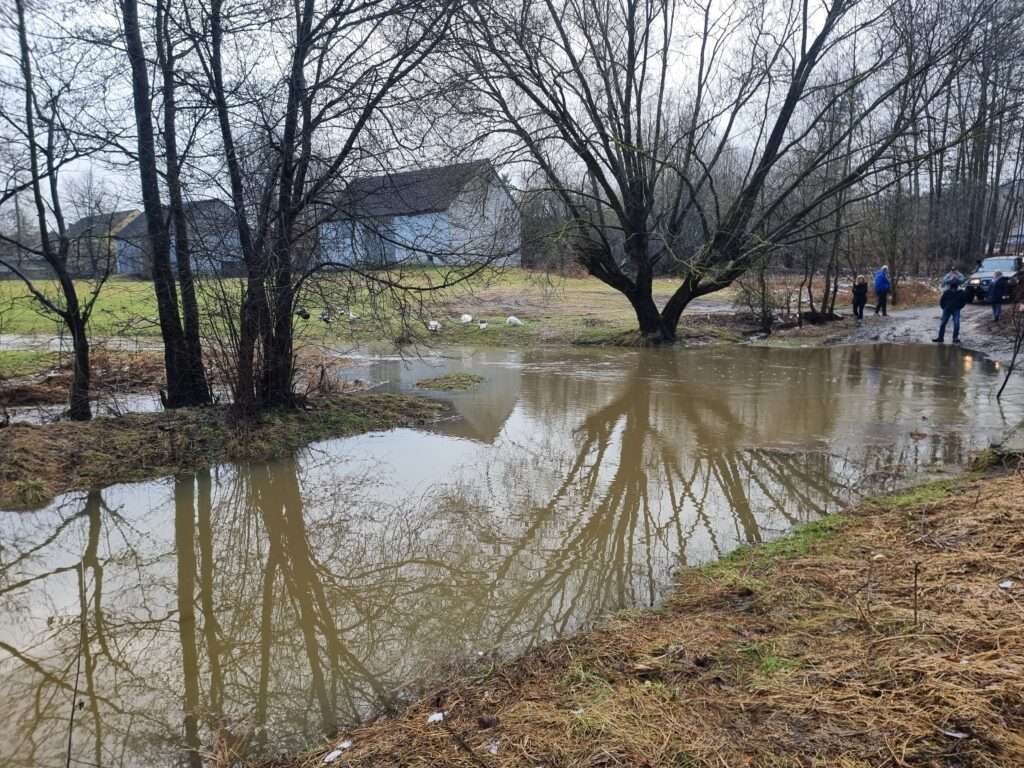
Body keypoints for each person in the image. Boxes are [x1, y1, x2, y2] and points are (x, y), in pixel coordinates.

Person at [933, 278, 967, 344]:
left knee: (956, 324)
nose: (953, 288)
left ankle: (955, 338)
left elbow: (964, 301)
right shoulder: (947, 292)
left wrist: (959, 307)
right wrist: (944, 307)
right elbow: (942, 301)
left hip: (956, 310)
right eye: (952, 286)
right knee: (943, 324)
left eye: (954, 286)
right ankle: (940, 338)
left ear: (956, 286)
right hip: (947, 310)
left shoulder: (961, 292)